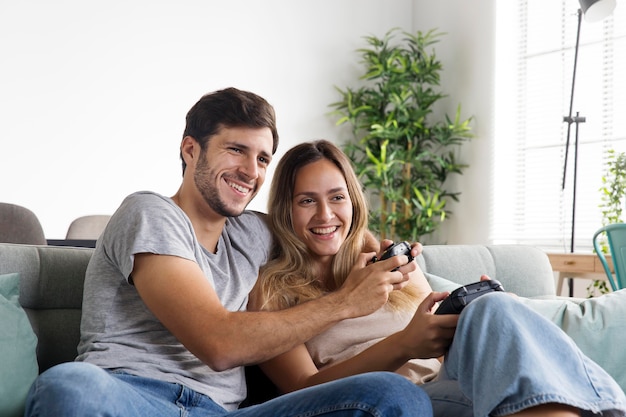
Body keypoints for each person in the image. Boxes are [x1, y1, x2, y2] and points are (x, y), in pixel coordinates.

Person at [24, 88, 434, 416]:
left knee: (394, 394)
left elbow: (328, 224)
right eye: (235, 150)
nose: (251, 171)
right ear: (190, 150)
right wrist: (346, 303)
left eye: (262, 158)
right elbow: (218, 344)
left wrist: (389, 251)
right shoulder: (149, 213)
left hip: (222, 410)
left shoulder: (254, 232)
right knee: (67, 384)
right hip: (131, 395)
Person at [250, 139, 626, 417]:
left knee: (492, 307)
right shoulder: (270, 291)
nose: (325, 214)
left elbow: (442, 334)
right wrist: (403, 345)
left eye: (337, 197)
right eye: (306, 201)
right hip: (402, 399)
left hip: (458, 375)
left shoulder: (385, 262)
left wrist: (474, 318)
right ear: (285, 209)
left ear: (353, 202)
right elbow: (301, 392)